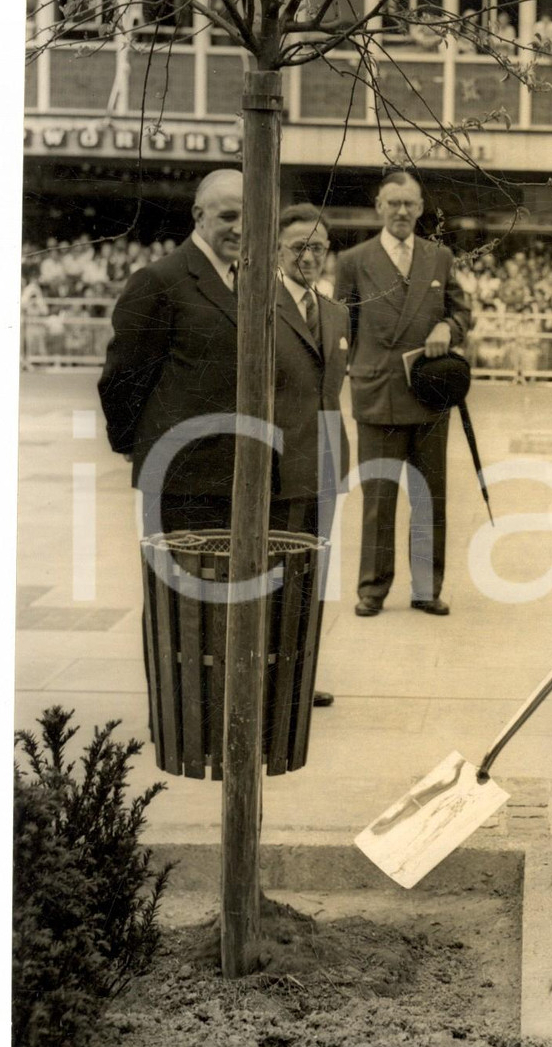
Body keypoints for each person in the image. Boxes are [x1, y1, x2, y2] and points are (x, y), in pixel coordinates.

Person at [98, 171, 349, 707]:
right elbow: (122, 379)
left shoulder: (250, 280)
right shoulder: (160, 280)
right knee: (182, 599)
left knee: (233, 596)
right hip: (185, 475)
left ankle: (225, 706)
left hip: (240, 472)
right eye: (227, 215)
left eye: (248, 216)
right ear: (199, 216)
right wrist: (137, 448)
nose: (239, 227)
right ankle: (181, 707)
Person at [335, 170, 472, 618]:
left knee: (430, 496)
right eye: (393, 203)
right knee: (378, 499)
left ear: (420, 207)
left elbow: (462, 312)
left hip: (429, 393)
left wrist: (446, 328)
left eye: (410, 204)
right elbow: (342, 330)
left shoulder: (439, 257)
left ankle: (426, 588)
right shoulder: (354, 261)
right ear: (379, 206)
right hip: (377, 395)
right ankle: (372, 589)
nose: (401, 212)